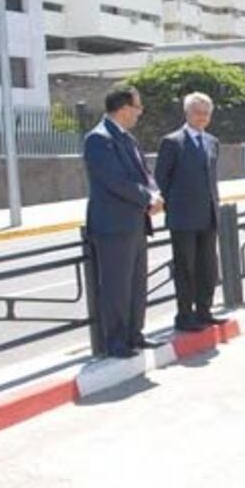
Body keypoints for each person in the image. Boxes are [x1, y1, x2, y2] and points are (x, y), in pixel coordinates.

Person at [83, 87, 164, 358]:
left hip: (135, 223)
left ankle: (134, 334)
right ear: (123, 108)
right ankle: (116, 342)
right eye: (137, 108)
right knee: (117, 286)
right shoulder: (98, 139)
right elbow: (115, 181)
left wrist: (155, 193)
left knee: (136, 284)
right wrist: (147, 199)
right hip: (113, 225)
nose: (140, 113)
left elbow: (144, 172)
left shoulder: (127, 139)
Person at [155, 92, 225, 333]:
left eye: (206, 113)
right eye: (197, 112)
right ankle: (185, 315)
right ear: (187, 113)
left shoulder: (212, 142)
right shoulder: (172, 142)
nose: (202, 117)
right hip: (183, 217)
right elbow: (161, 179)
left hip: (208, 215)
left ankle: (204, 310)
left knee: (208, 266)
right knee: (186, 268)